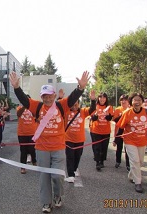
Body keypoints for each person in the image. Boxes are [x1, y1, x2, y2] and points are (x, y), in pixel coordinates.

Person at [9, 71, 90, 213]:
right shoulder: (37, 107)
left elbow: (72, 98)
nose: (47, 99)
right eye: (44, 96)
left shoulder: (61, 105)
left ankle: (58, 196)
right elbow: (24, 100)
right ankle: (46, 203)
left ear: (54, 95)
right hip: (41, 149)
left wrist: (80, 87)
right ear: (41, 97)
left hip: (58, 147)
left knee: (57, 176)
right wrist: (16, 87)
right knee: (44, 176)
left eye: (50, 96)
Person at [116, 93, 147, 193]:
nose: (137, 102)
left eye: (139, 100)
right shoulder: (127, 113)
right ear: (131, 102)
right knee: (135, 161)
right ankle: (138, 182)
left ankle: (131, 175)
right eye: (135, 100)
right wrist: (116, 139)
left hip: (143, 141)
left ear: (142, 101)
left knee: (140, 162)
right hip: (129, 141)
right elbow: (121, 127)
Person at [64, 90, 96, 183]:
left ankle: (74, 169)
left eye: (76, 104)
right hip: (68, 139)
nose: (74, 107)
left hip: (79, 139)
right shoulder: (66, 112)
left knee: (77, 156)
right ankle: (70, 175)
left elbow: (92, 110)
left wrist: (93, 100)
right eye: (72, 105)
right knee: (70, 156)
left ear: (79, 104)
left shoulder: (83, 111)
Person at [89, 92, 114, 171]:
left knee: (104, 147)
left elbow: (110, 119)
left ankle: (102, 160)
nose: (102, 99)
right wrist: (96, 115)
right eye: (100, 97)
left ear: (106, 99)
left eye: (104, 97)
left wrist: (107, 114)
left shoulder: (109, 107)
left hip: (106, 131)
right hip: (95, 130)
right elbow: (93, 118)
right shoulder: (95, 107)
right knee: (97, 147)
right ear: (98, 98)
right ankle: (97, 162)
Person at [16, 97, 38, 174]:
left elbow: (36, 116)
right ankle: (23, 166)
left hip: (32, 132)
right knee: (23, 150)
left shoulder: (33, 108)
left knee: (32, 148)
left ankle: (34, 160)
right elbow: (18, 114)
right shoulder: (19, 107)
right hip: (22, 133)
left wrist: (30, 108)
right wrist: (24, 106)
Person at [112, 94, 130, 171]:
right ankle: (118, 161)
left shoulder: (131, 110)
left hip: (127, 133)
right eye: (122, 100)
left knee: (127, 149)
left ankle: (128, 165)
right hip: (119, 132)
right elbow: (115, 120)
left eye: (125, 100)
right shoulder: (117, 109)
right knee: (119, 148)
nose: (123, 101)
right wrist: (123, 115)